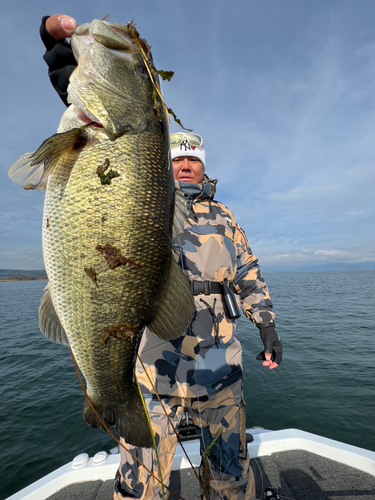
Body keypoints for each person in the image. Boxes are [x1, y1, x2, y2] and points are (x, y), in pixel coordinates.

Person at [40, 15, 283, 500]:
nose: (186, 164)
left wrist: (267, 324)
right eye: (178, 158)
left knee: (234, 479)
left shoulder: (225, 216)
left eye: (194, 158)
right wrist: (62, 60)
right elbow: (109, 145)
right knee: (141, 486)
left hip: (220, 373)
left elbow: (248, 275)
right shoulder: (145, 187)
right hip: (151, 373)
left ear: (203, 165)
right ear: (165, 164)